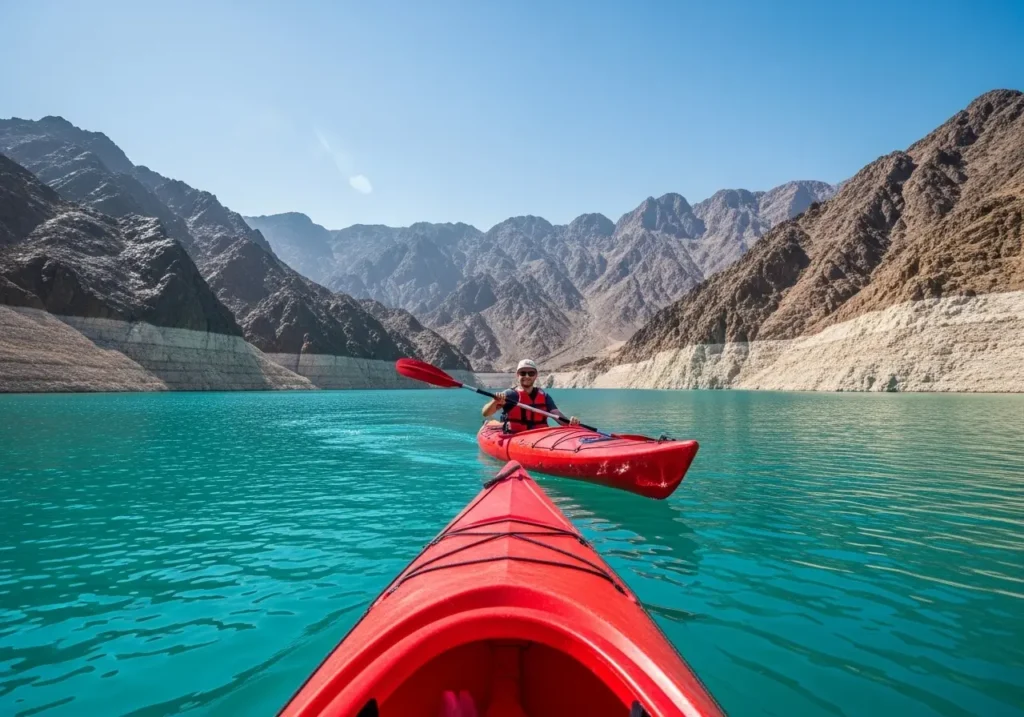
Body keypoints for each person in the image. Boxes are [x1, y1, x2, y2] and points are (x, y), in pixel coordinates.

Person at [482, 359, 579, 433]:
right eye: (523, 373)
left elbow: (557, 415)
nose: (527, 376)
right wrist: (495, 402)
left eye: (531, 373)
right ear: (517, 375)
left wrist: (570, 423)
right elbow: (485, 413)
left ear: (536, 375)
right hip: (515, 436)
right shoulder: (509, 395)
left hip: (540, 435)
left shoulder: (545, 396)